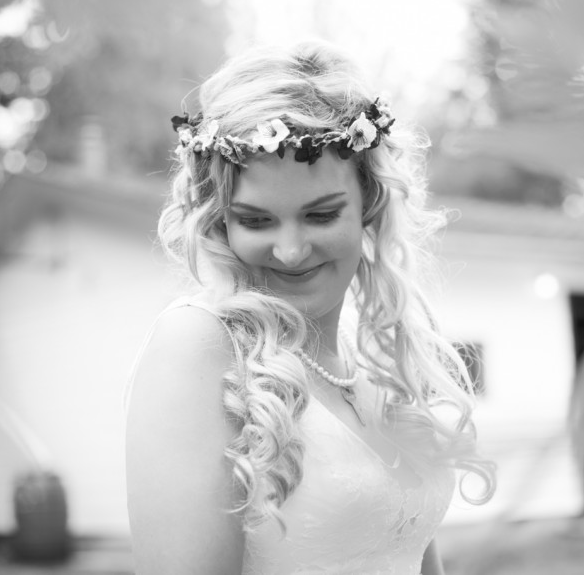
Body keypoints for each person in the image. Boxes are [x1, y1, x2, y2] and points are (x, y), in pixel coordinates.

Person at [125, 41, 494, 574]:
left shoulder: (372, 363)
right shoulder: (199, 346)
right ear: (219, 220)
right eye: (255, 220)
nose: (291, 250)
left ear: (368, 202)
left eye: (320, 215)